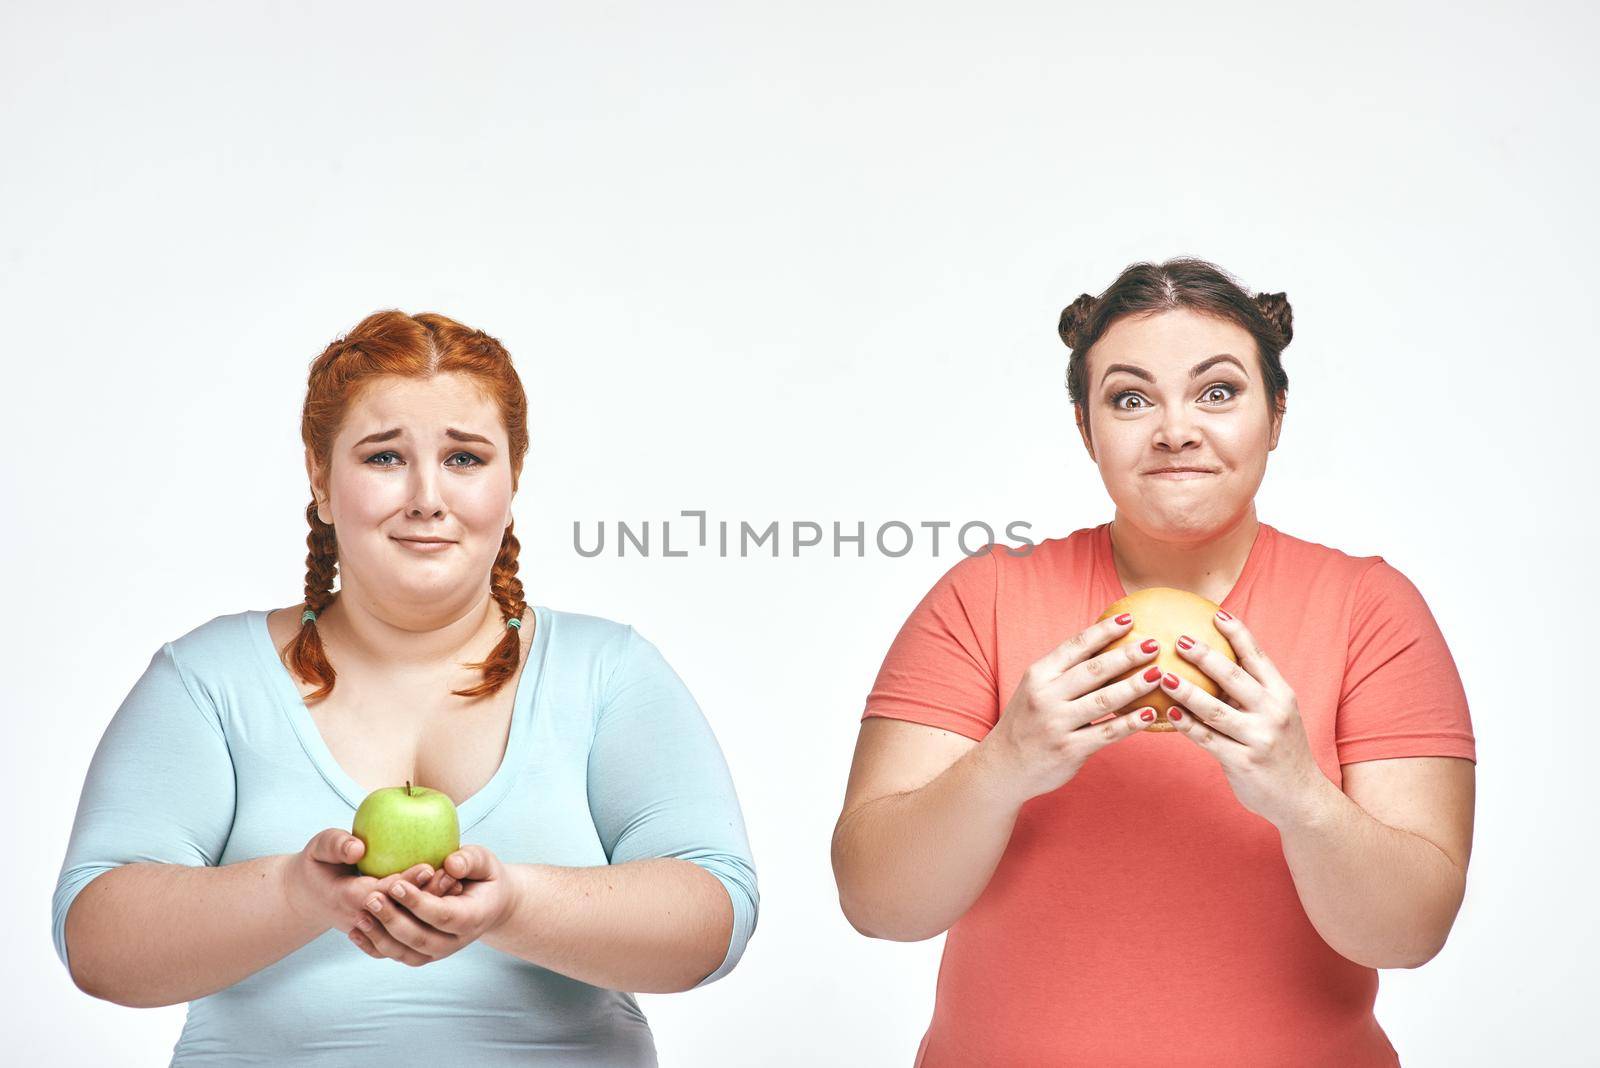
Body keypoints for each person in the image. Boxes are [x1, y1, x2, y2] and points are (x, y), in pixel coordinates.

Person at [52, 311, 759, 1066]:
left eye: (464, 458)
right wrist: (296, 894)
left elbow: (717, 922)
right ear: (320, 479)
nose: (426, 496)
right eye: (385, 457)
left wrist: (514, 904)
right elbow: (95, 941)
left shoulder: (608, 671)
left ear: (512, 478)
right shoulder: (206, 678)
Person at [831, 257, 1476, 1067]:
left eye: (1218, 391)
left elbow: (1410, 933)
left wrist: (1298, 792)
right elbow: (879, 904)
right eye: (1131, 398)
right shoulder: (981, 598)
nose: (1175, 429)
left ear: (1275, 414)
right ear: (1084, 427)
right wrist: (1007, 760)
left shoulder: (1371, 609)